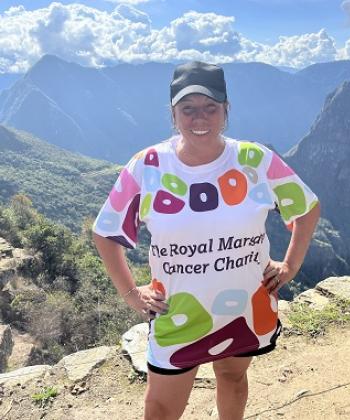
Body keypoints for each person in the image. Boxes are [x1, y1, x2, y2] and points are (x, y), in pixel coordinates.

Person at [92, 61, 320, 420]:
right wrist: (131, 294)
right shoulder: (149, 166)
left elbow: (306, 208)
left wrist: (291, 264)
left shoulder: (255, 160)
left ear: (226, 110)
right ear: (174, 114)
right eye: (189, 109)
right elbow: (106, 232)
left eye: (210, 107)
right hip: (178, 314)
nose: (200, 117)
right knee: (161, 407)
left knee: (232, 377)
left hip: (244, 306)